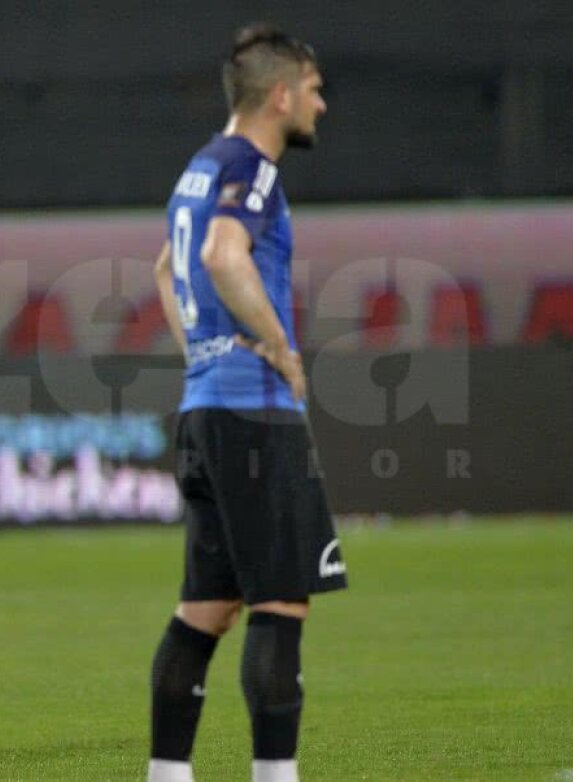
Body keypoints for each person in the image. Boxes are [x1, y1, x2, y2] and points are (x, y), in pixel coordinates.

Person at [148, 24, 347, 782]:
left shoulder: (200, 168)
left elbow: (166, 270)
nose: (321, 106)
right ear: (281, 94)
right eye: (315, 91)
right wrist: (279, 347)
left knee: (207, 607)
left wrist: (201, 350)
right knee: (281, 602)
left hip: (204, 407)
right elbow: (219, 257)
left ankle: (166, 774)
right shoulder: (252, 171)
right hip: (253, 413)